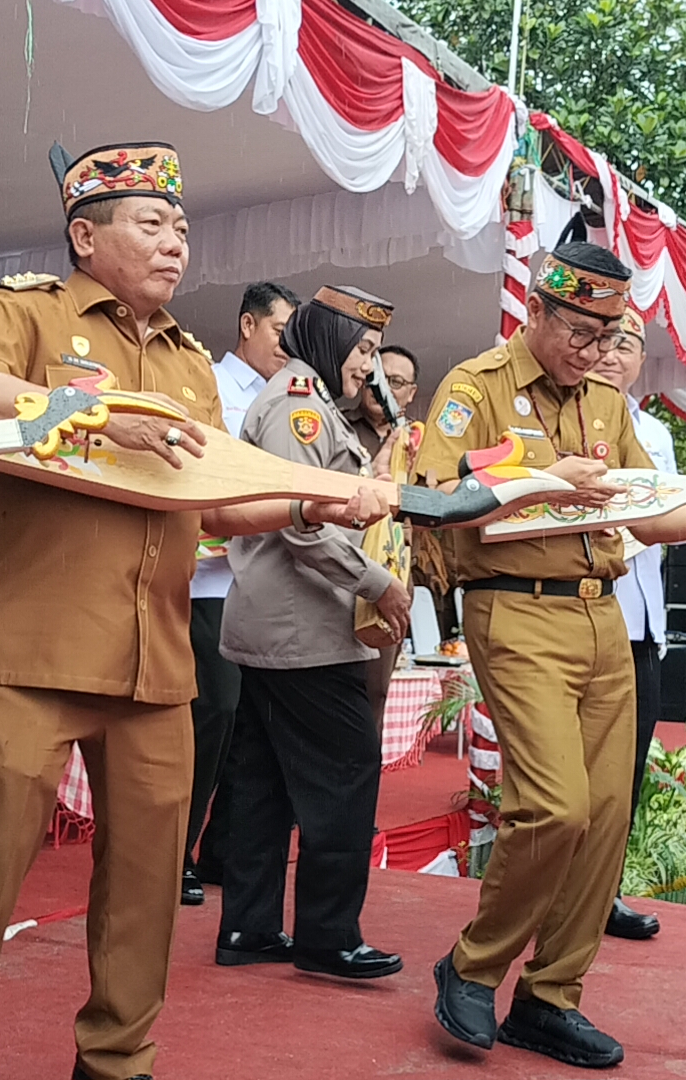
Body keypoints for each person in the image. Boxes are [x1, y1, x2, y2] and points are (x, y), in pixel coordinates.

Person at [0, 140, 386, 1080]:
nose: (175, 244)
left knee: (146, 887)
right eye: (150, 224)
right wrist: (87, 414)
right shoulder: (26, 312)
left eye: (181, 228)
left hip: (158, 659)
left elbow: (206, 500)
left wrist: (307, 501)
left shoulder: (189, 361)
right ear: (85, 235)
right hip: (35, 651)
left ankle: (118, 1061)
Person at [419, 241, 686, 1069]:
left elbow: (647, 514)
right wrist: (543, 481)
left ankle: (551, 996)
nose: (598, 353)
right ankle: (473, 965)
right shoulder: (474, 388)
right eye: (585, 334)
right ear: (538, 313)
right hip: (515, 612)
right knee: (553, 807)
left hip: (604, 617)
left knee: (605, 818)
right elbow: (435, 501)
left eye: (612, 336)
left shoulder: (604, 401)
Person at [214, 285, 411, 980]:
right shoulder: (299, 407)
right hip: (303, 633)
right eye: (362, 349)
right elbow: (306, 524)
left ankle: (248, 927)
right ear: (327, 341)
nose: (370, 367)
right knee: (348, 772)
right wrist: (379, 585)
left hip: (281, 628)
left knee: (264, 784)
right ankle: (328, 936)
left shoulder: (310, 401)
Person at [186, 281, 297, 904]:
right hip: (211, 578)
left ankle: (225, 850)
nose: (286, 346)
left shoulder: (291, 397)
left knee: (253, 725)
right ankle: (175, 850)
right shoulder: (212, 385)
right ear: (248, 325)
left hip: (265, 583)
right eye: (280, 331)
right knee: (214, 714)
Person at [591, 318, 671, 944]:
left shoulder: (656, 434)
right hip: (586, 613)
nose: (612, 354)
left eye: (626, 346)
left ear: (642, 360)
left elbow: (664, 517)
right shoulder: (565, 421)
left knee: (627, 770)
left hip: (643, 617)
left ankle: (606, 890)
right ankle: (561, 896)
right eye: (604, 341)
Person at [341, 341, 422, 736]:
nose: (383, 389)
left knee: (376, 688)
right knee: (335, 687)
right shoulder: (339, 427)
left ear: (411, 393)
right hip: (339, 570)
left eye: (396, 382)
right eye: (376, 378)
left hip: (392, 575)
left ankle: (363, 783)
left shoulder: (421, 444)